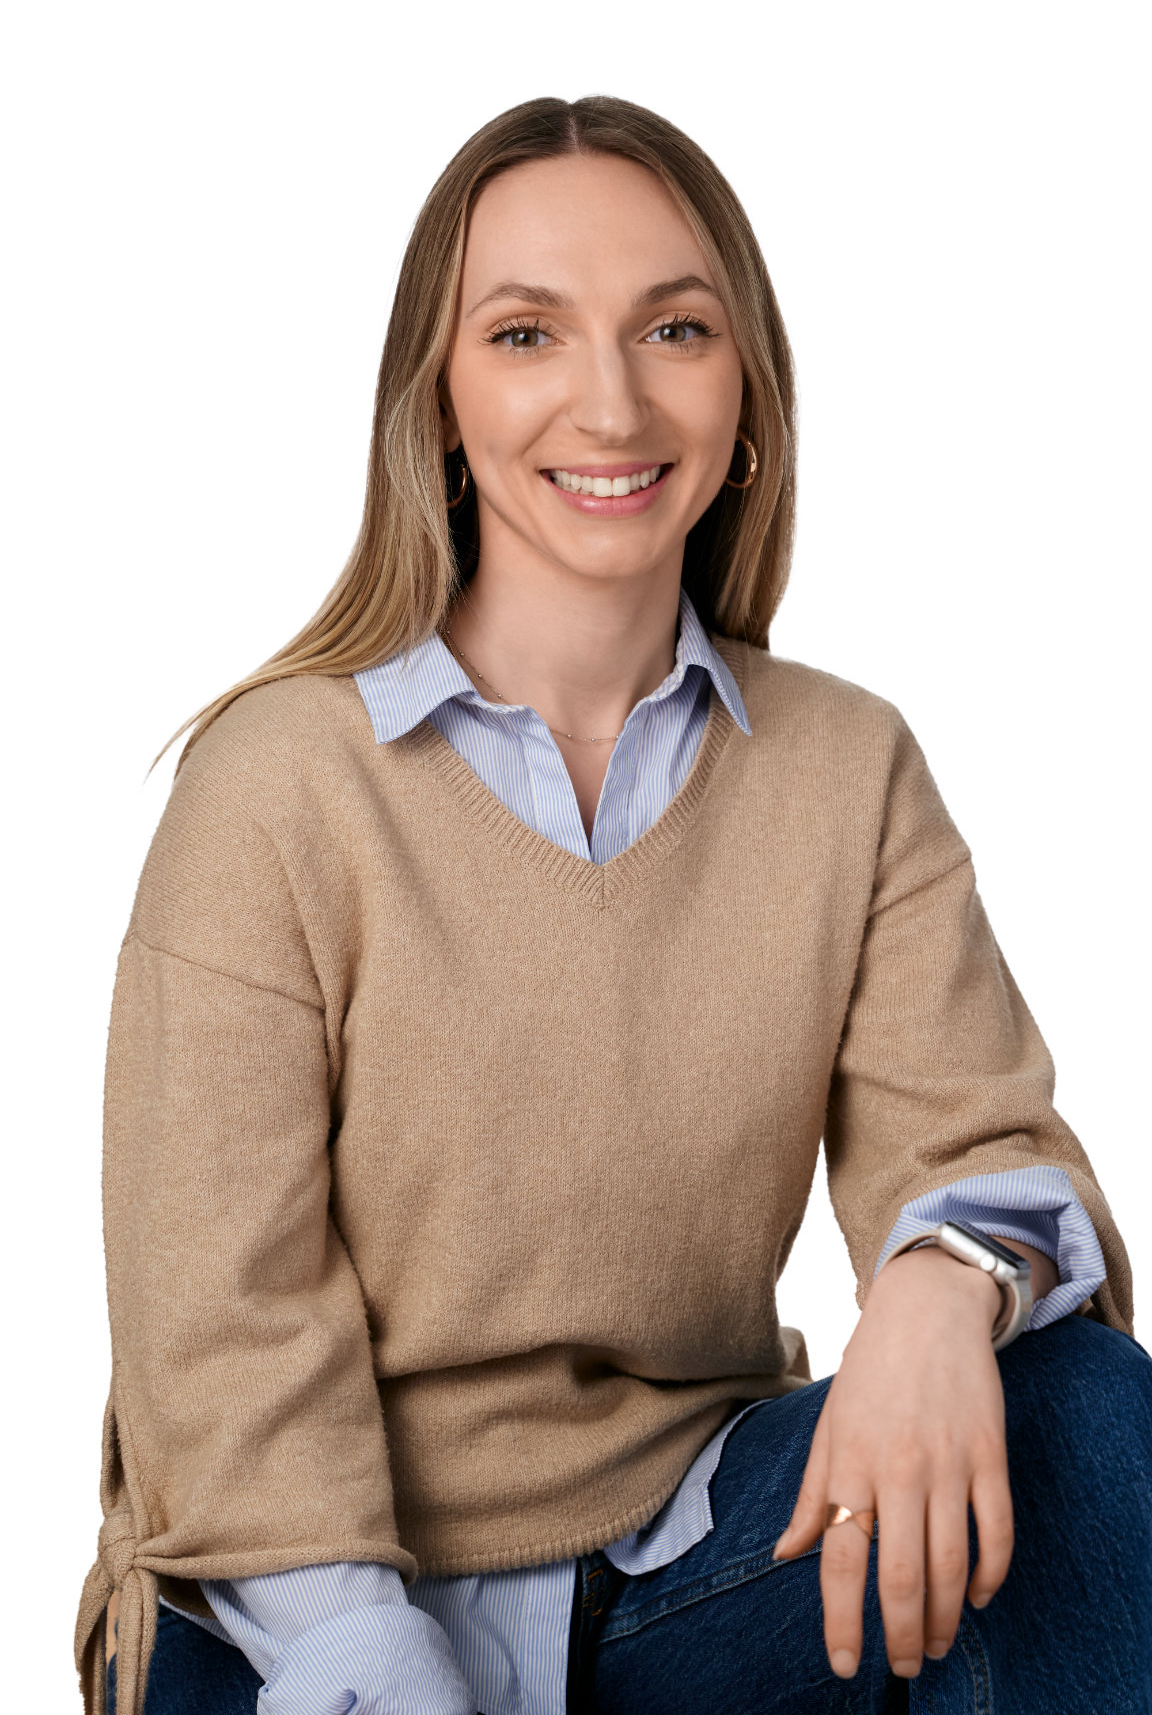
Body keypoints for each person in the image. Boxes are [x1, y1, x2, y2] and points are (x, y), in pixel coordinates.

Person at [76, 96, 1150, 1715]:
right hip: (296, 1596)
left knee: (1073, 1415)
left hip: (679, 1562)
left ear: (747, 392)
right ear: (436, 404)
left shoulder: (843, 769)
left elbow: (984, 1141)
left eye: (675, 327)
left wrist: (944, 1290)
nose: (611, 398)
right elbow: (217, 1329)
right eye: (525, 333)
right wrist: (376, 1662)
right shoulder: (278, 784)